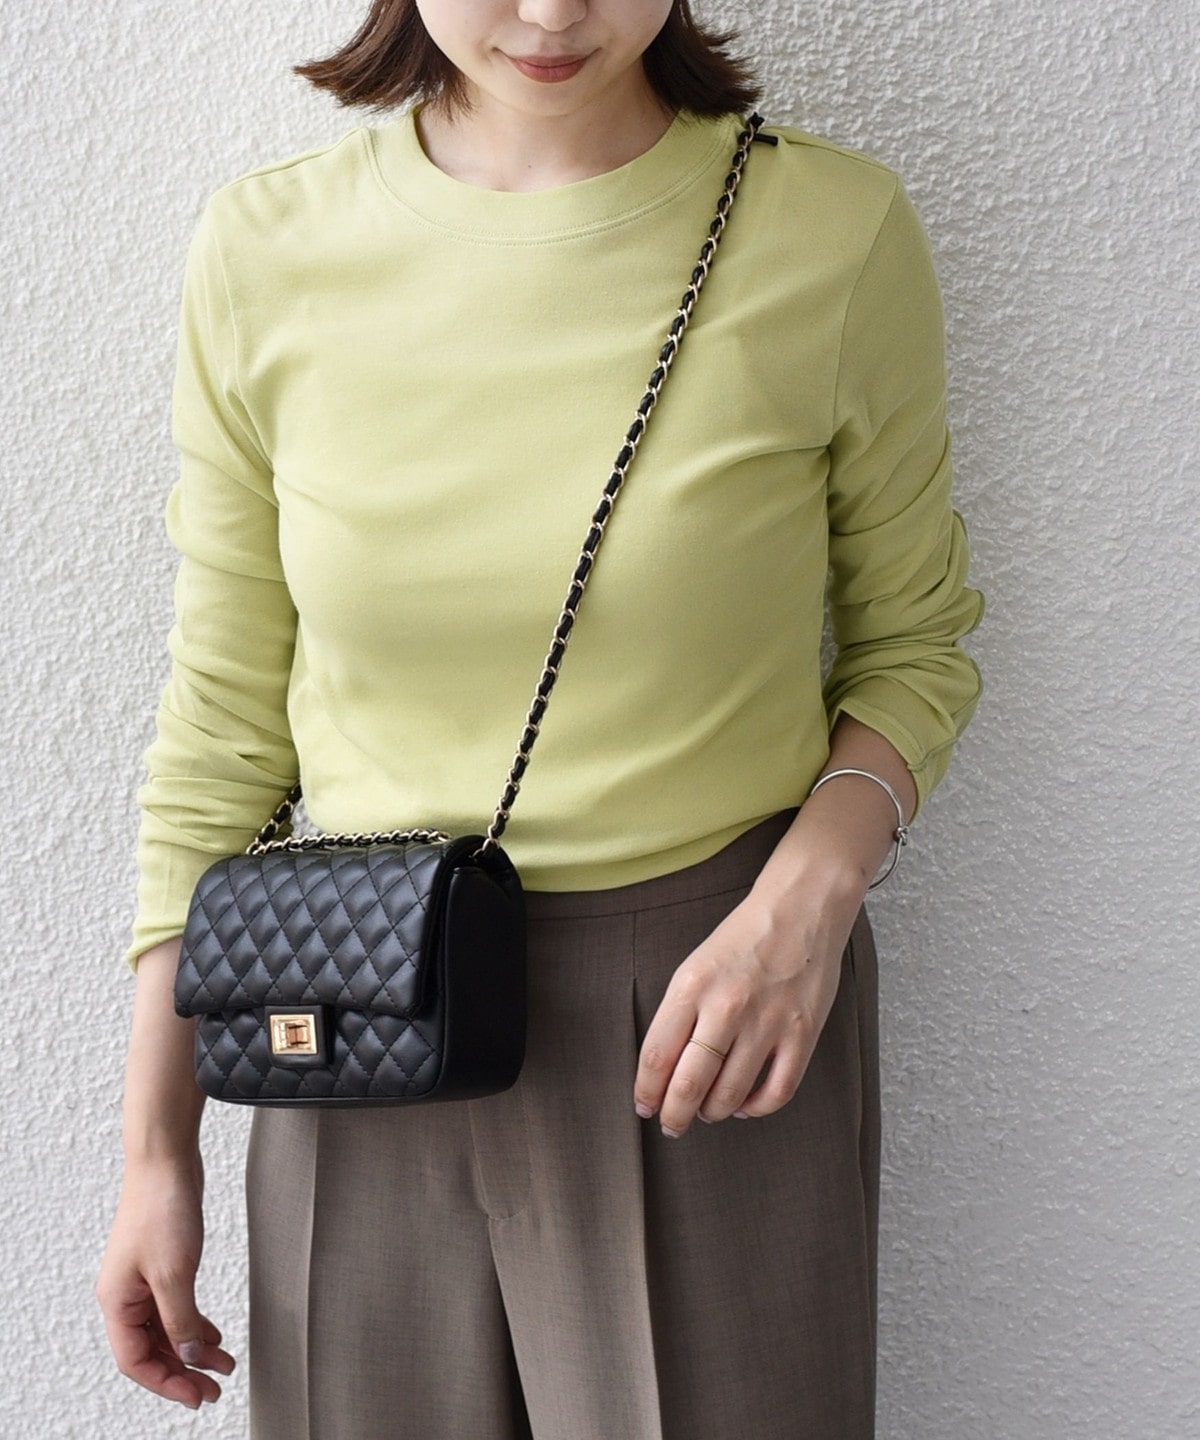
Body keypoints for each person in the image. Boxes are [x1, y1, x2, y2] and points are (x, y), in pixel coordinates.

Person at [96, 2, 984, 1436]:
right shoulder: (266, 250)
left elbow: (913, 647)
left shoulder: (828, 234)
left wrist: (804, 906)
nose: (557, 12)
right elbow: (222, 722)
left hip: (705, 1016)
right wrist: (157, 1150)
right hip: (354, 1008)